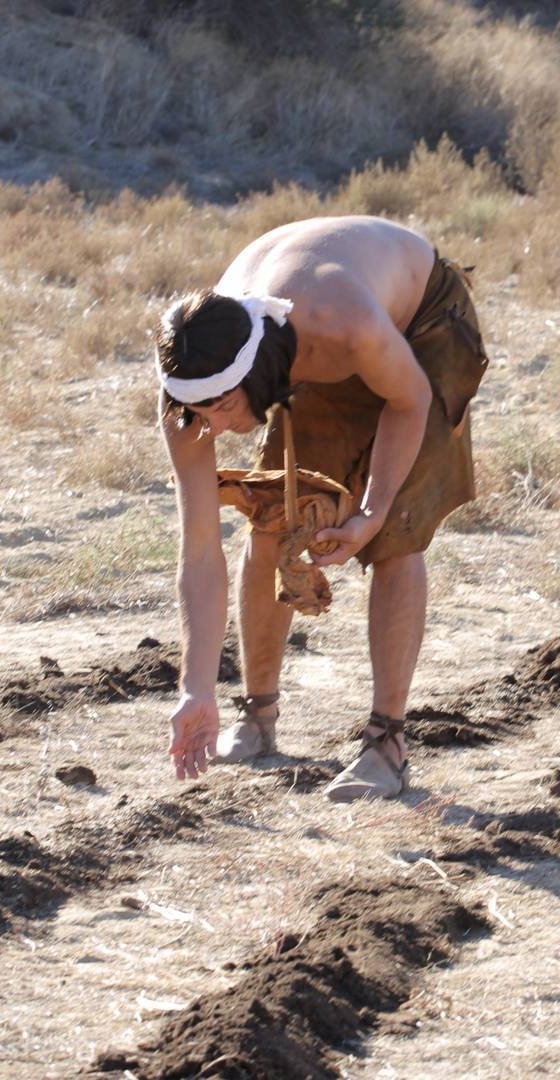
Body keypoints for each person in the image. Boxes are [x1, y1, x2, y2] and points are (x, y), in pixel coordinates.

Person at [157, 215, 487, 801]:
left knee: (394, 539)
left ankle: (386, 746)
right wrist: (195, 687)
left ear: (255, 376)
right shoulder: (191, 395)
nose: (217, 428)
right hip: (305, 343)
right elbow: (200, 551)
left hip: (419, 327)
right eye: (201, 414)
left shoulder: (342, 323)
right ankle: (256, 719)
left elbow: (407, 399)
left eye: (225, 408)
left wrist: (374, 510)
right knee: (271, 523)